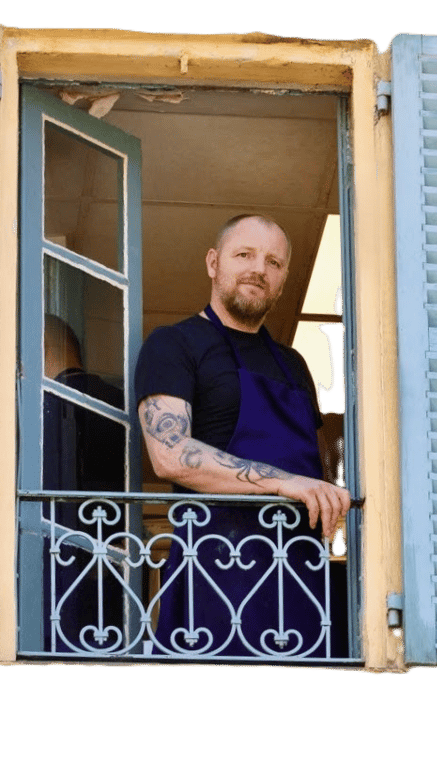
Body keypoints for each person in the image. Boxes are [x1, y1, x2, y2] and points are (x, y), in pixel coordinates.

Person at [135, 214, 351, 658]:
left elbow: (321, 469)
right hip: (216, 571)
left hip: (301, 577)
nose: (259, 269)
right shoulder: (174, 344)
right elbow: (169, 456)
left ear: (283, 280)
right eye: (245, 255)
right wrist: (283, 483)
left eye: (274, 262)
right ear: (213, 263)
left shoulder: (295, 365)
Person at [42, 314, 125, 651]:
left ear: (42, 349)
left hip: (63, 554)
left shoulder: (46, 404)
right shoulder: (118, 401)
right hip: (117, 553)